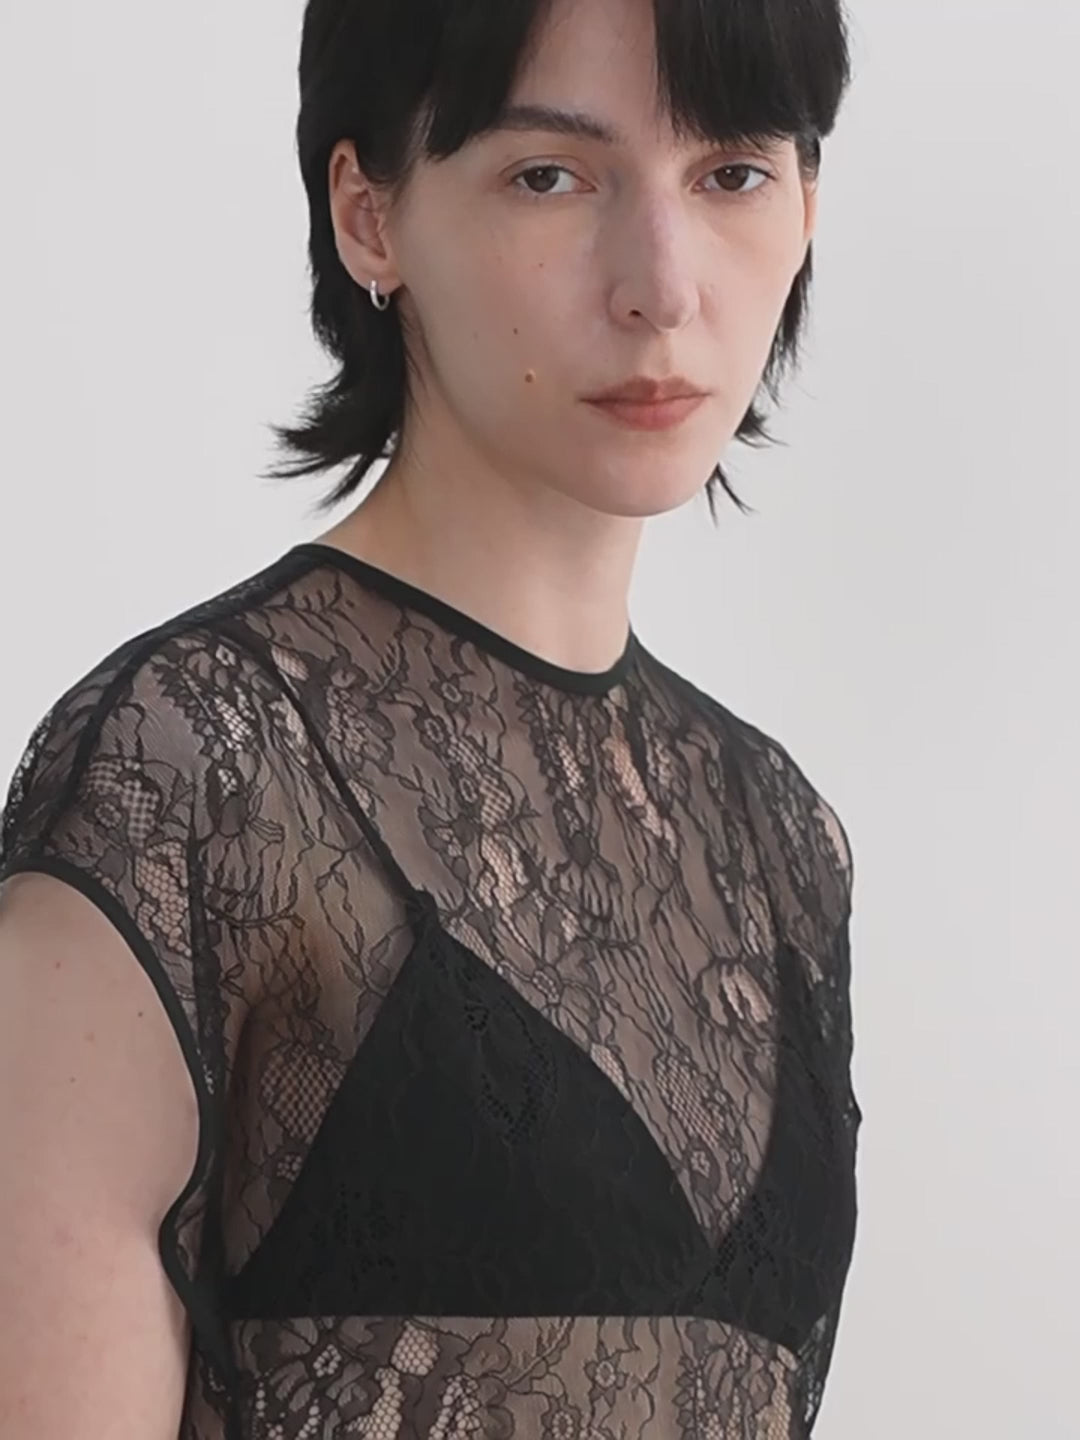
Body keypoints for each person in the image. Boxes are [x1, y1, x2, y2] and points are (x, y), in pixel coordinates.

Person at [0, 0, 862, 1435]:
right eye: (550, 175)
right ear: (370, 217)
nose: (662, 285)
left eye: (732, 173)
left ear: (806, 205)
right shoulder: (193, 774)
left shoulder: (781, 842)